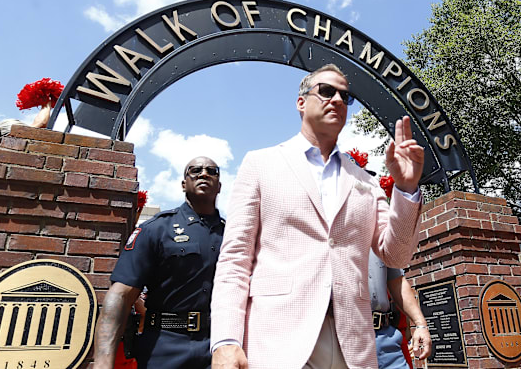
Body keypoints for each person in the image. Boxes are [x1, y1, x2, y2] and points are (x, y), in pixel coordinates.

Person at [210, 64, 424, 369]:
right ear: (301, 102)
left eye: (344, 96)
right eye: (326, 91)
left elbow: (397, 254)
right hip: (279, 341)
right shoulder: (260, 164)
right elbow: (234, 260)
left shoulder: (365, 181)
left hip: (354, 345)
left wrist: (405, 188)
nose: (337, 99)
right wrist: (226, 341)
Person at [94, 157, 224, 369]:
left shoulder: (233, 235)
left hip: (218, 348)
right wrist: (102, 364)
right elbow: (120, 296)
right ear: (184, 184)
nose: (204, 174)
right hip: (163, 347)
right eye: (195, 170)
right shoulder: (155, 229)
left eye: (212, 170)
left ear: (219, 185)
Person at [369, 253, 431, 368]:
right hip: (339, 338)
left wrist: (421, 325)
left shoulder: (377, 239)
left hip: (385, 337)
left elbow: (398, 282)